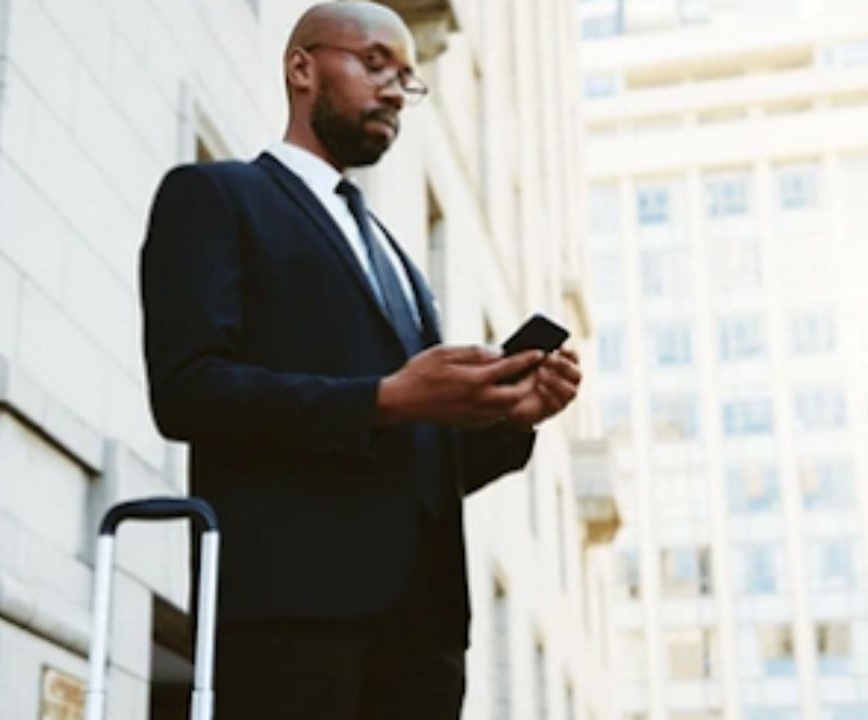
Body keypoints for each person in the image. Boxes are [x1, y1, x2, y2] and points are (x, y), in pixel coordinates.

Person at [139, 2, 582, 717]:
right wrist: (387, 398)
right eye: (375, 64)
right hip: (290, 623)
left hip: (426, 638)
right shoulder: (215, 196)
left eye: (407, 80)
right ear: (301, 67)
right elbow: (187, 392)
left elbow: (416, 467)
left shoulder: (401, 261)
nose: (393, 91)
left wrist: (509, 418)